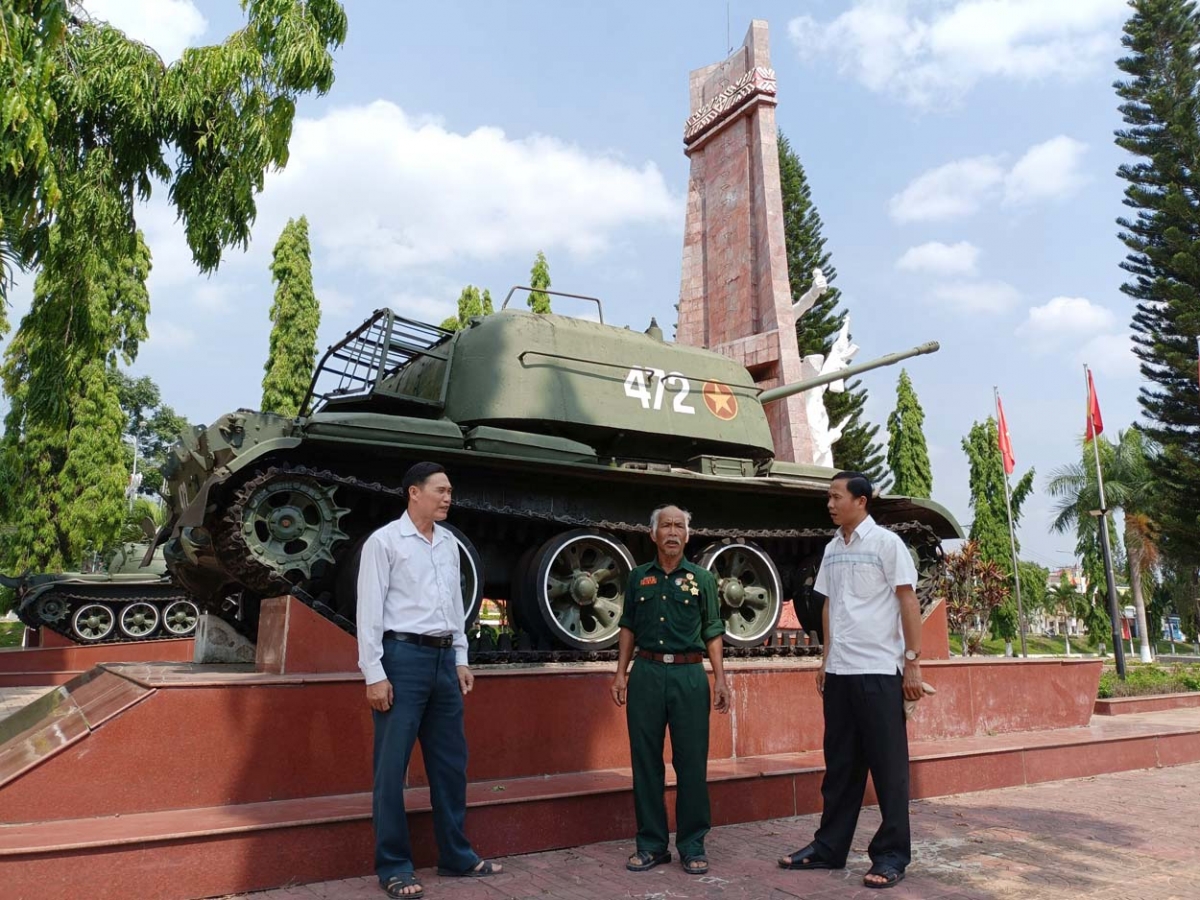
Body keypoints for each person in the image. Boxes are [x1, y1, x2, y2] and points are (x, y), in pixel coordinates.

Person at [356, 461, 502, 899]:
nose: (448, 497)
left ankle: (456, 856)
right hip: (401, 658)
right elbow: (369, 612)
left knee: (450, 764)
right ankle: (394, 866)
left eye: (450, 491)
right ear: (413, 493)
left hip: (442, 662)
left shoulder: (450, 544)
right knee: (391, 768)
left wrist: (461, 657)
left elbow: (455, 606)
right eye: (440, 490)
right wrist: (374, 673)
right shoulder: (384, 542)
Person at [778, 471, 924, 890]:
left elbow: (907, 600)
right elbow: (827, 606)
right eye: (829, 496)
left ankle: (892, 854)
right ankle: (829, 848)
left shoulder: (887, 544)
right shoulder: (831, 548)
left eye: (836, 496)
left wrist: (912, 662)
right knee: (840, 768)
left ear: (861, 501)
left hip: (879, 671)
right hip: (840, 673)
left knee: (889, 769)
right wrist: (826, 657)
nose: (829, 503)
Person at [610, 504, 731, 876]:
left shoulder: (703, 579)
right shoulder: (637, 578)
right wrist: (620, 673)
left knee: (691, 763)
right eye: (666, 526)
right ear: (654, 533)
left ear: (688, 535)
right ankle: (651, 845)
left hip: (689, 676)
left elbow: (712, 630)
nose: (673, 532)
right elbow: (628, 625)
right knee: (646, 763)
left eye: (680, 526)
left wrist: (721, 678)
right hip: (645, 673)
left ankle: (693, 845)